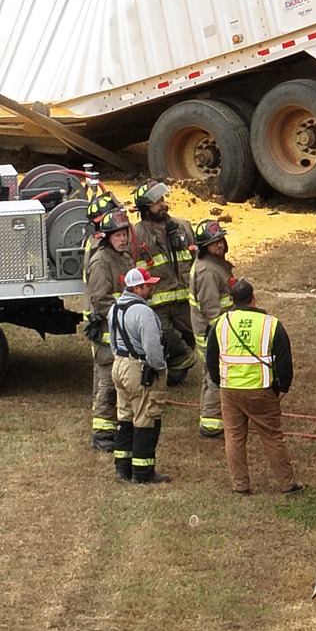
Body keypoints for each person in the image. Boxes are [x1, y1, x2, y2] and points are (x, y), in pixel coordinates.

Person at [205, 279, 300, 496]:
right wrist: (283, 386)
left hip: (230, 390)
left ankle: (240, 485)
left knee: (234, 438)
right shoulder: (270, 324)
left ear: (232, 301)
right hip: (261, 389)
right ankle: (288, 484)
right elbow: (284, 361)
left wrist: (220, 383)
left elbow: (211, 358)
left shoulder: (221, 323)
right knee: (272, 436)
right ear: (253, 298)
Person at [107, 265, 170, 484]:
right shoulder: (143, 312)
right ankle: (143, 473)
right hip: (138, 369)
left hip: (119, 365)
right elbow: (153, 349)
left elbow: (113, 342)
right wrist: (160, 368)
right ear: (137, 288)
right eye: (148, 285)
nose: (152, 288)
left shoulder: (114, 308)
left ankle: (122, 468)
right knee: (146, 418)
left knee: (125, 417)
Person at [130, 181, 196, 386]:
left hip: (184, 297)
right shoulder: (136, 235)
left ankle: (176, 366)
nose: (162, 204)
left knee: (191, 337)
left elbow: (195, 261)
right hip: (156, 301)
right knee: (164, 334)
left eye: (162, 199)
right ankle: (176, 359)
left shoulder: (182, 226)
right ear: (144, 208)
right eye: (155, 202)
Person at [82, 208, 136, 452]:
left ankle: (116, 425)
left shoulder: (124, 258)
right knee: (107, 382)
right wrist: (125, 316)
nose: (123, 238)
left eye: (124, 234)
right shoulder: (101, 261)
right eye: (117, 235)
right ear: (106, 237)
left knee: (118, 381)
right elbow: (101, 299)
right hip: (107, 334)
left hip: (121, 332)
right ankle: (102, 434)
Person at [189, 218, 235, 438]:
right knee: (215, 378)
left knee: (211, 376)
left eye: (221, 241)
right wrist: (225, 335)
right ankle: (211, 425)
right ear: (205, 247)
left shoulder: (215, 264)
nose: (220, 245)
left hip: (217, 332)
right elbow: (211, 310)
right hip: (214, 334)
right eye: (215, 243)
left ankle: (213, 417)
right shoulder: (207, 272)